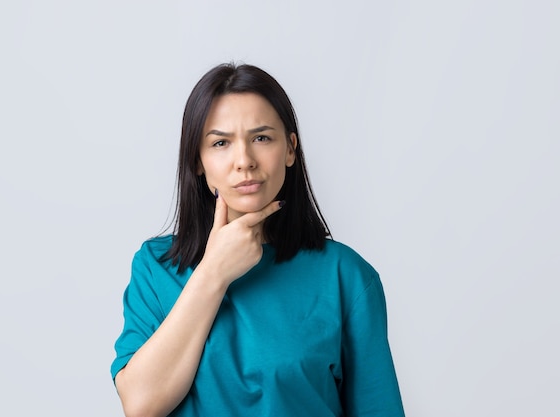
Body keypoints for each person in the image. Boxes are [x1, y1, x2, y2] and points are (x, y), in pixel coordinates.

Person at [111, 63, 405, 417]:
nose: (244, 161)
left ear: (291, 149)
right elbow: (140, 406)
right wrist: (213, 274)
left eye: (261, 138)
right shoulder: (155, 268)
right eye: (220, 143)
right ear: (199, 161)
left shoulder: (346, 276)